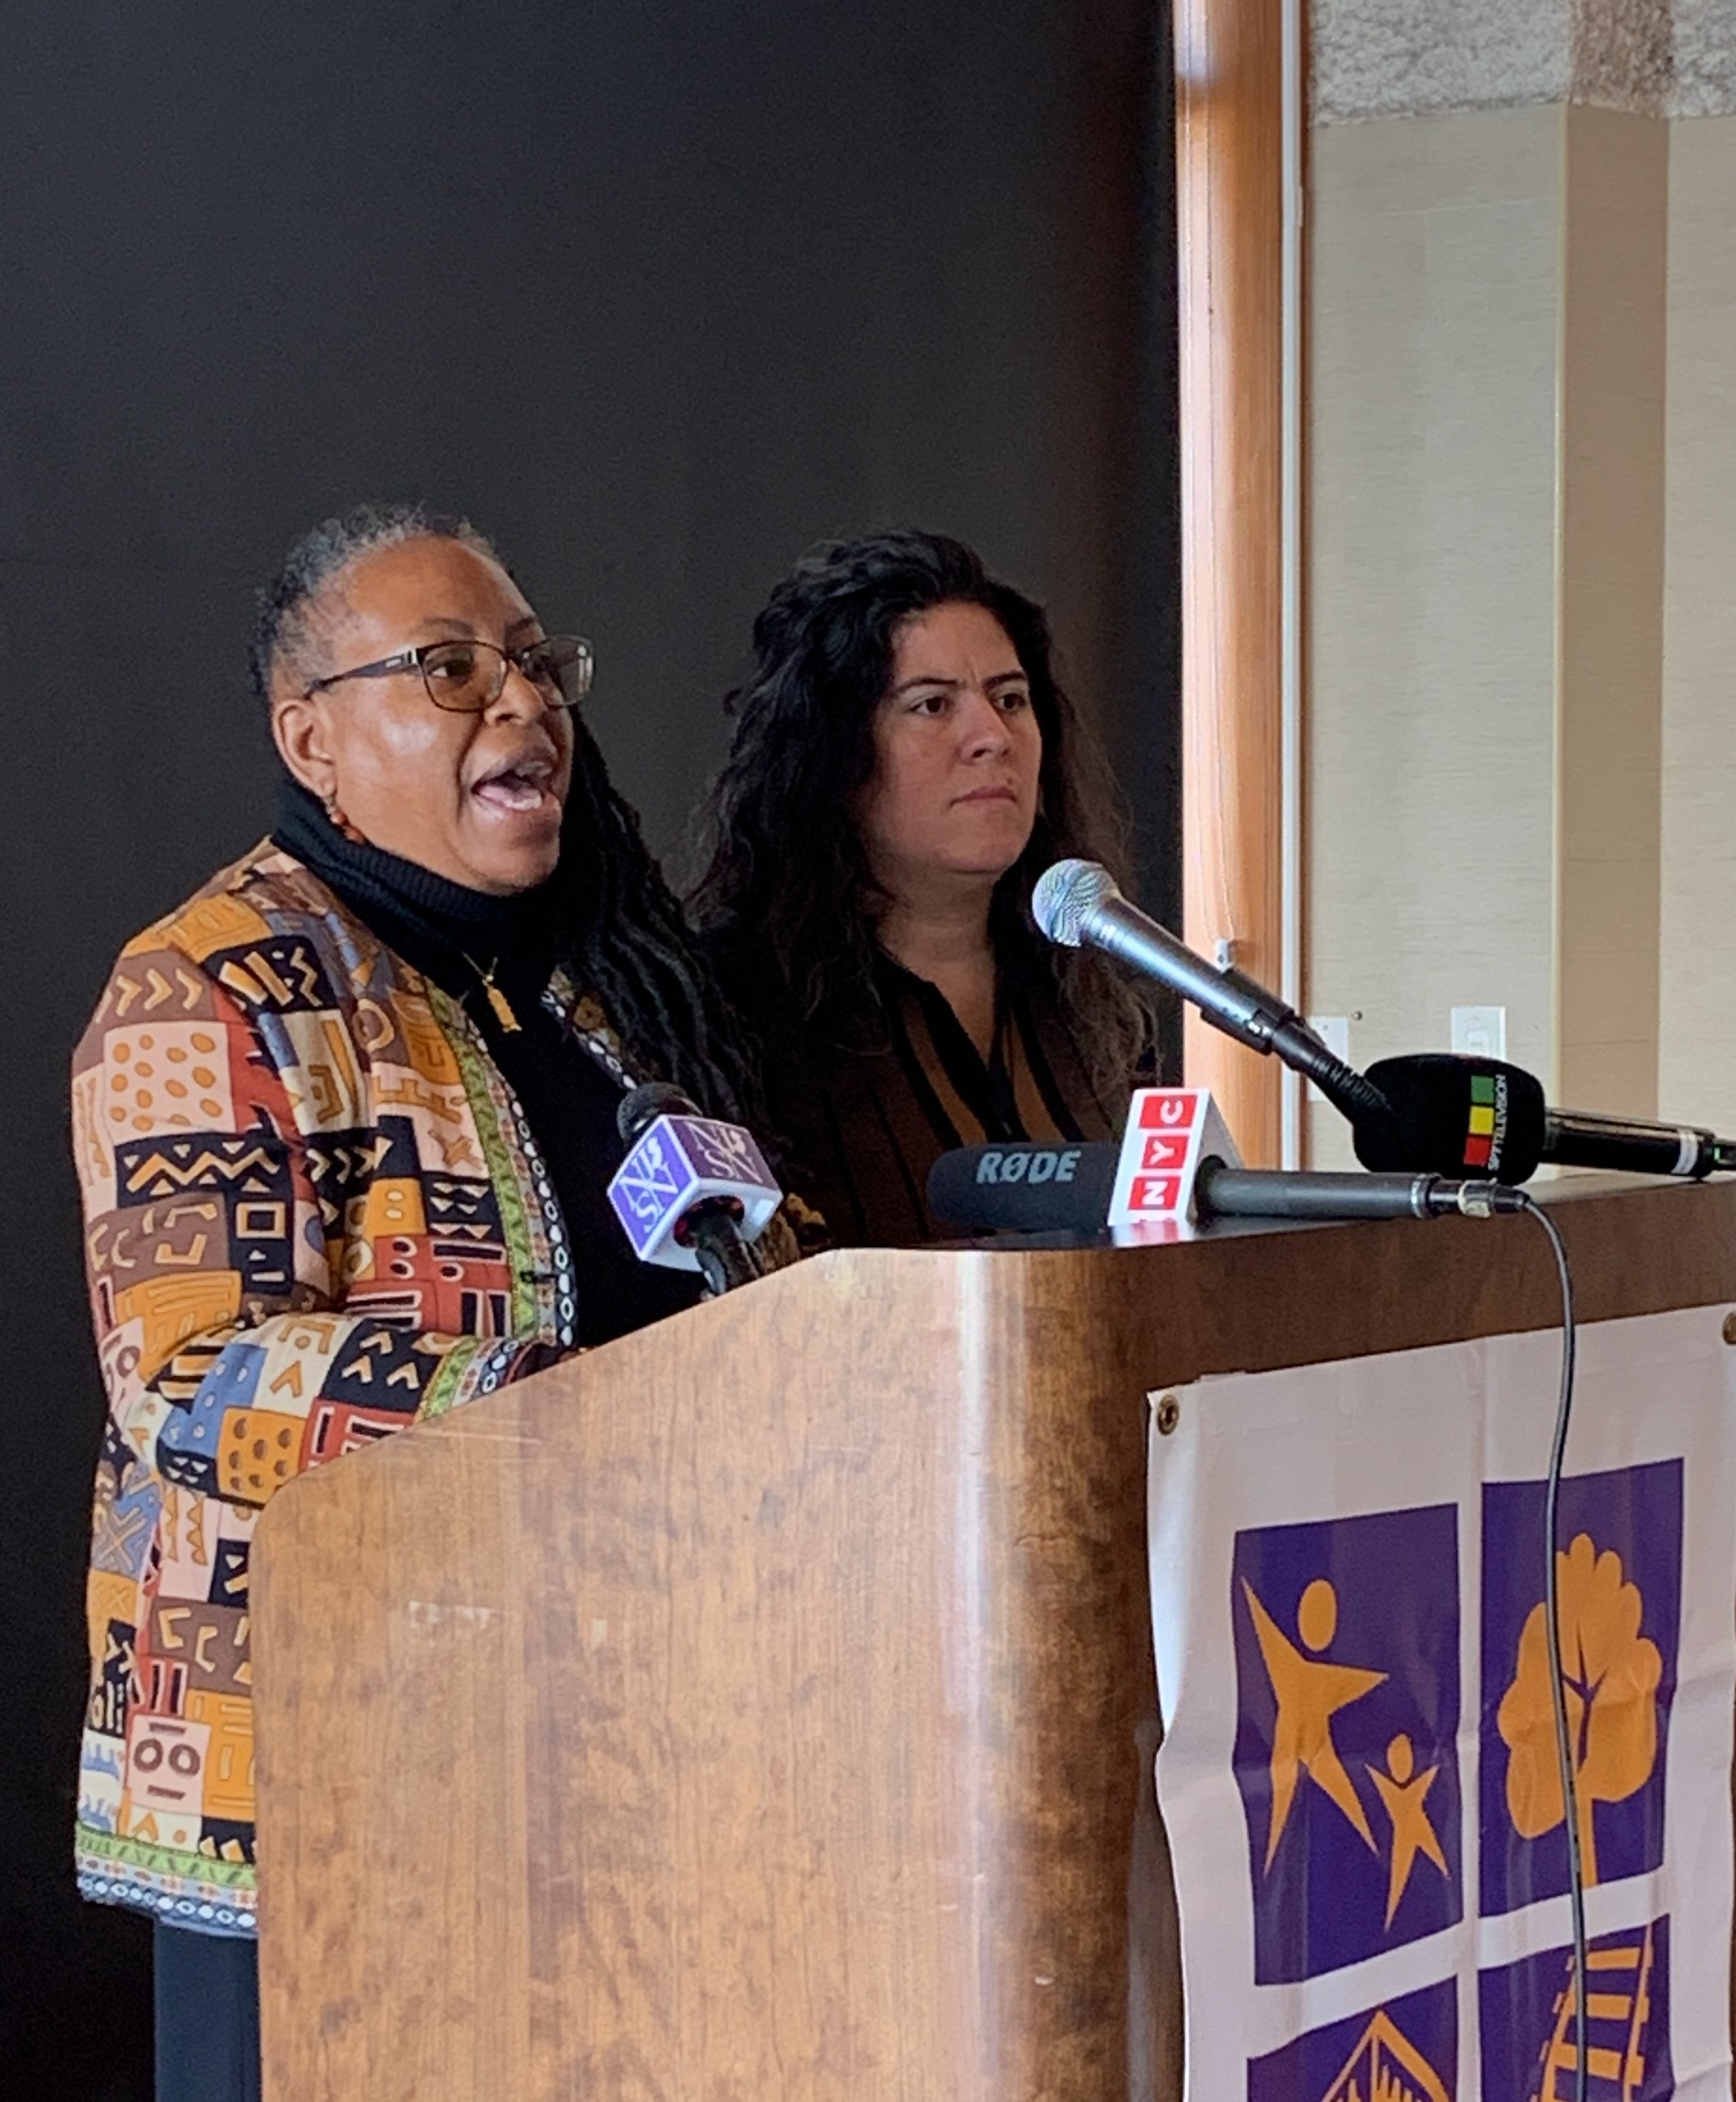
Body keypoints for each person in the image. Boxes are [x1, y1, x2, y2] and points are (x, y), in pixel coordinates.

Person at [71, 502, 788, 2098]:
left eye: (536, 664)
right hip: (333, 1783)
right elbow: (192, 1375)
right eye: (450, 670)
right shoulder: (213, 985)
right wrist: (555, 1401)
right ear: (311, 737)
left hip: (613, 1739)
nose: (523, 702)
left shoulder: (587, 988)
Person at [693, 529, 1150, 1246]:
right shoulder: (731, 1011)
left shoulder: (1096, 999)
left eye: (1010, 698)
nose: (991, 736)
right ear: (833, 753)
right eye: (933, 705)